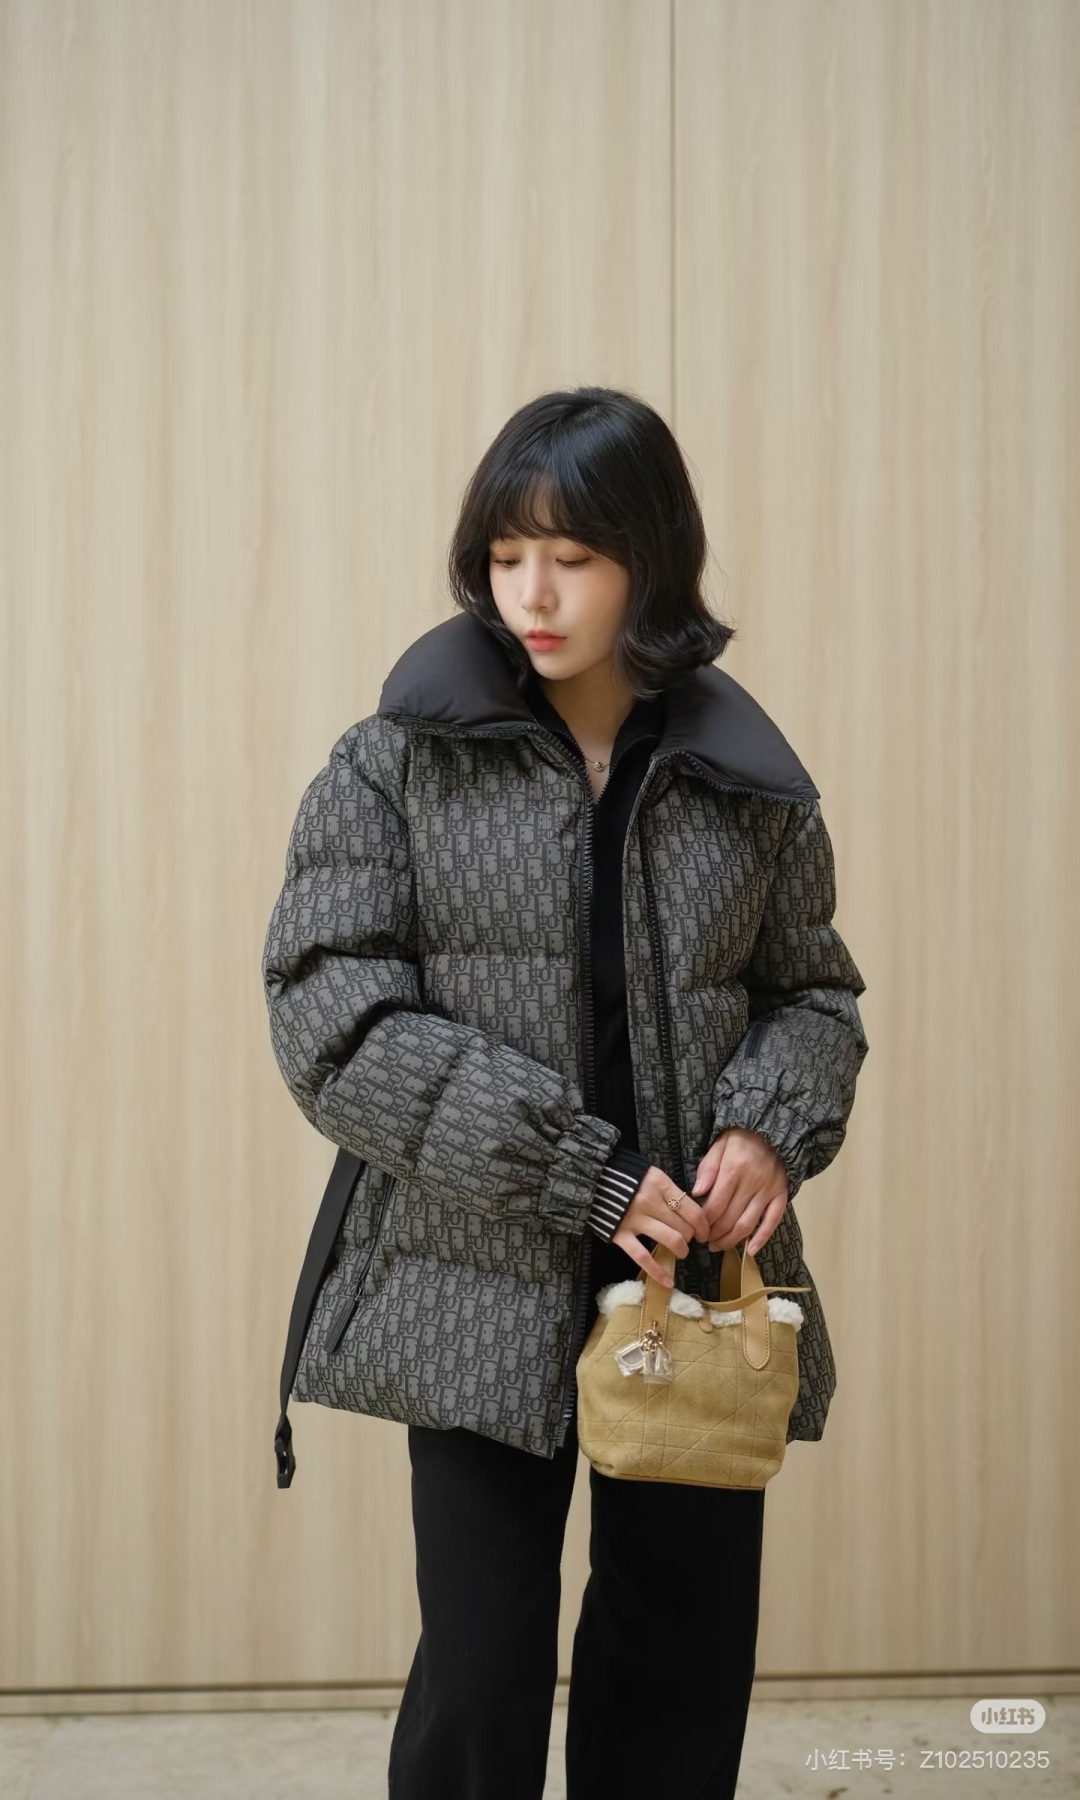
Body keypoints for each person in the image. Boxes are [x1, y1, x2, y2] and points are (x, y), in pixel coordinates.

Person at [260, 385, 870, 1799]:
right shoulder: (393, 764)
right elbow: (333, 1019)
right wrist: (579, 1173)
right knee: (480, 1669)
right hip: (476, 1262)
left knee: (677, 1653)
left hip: (694, 1273)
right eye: (507, 553)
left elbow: (815, 996)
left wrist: (768, 1129)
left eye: (575, 557)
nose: (532, 592)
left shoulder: (749, 785)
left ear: (652, 560)